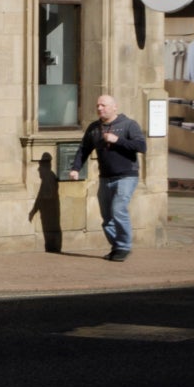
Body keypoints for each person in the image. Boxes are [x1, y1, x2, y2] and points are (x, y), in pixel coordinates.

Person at [66, 92, 148, 261]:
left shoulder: (128, 125)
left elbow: (141, 146)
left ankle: (124, 246)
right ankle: (117, 246)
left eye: (103, 105)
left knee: (119, 210)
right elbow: (84, 149)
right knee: (107, 218)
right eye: (98, 105)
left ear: (114, 107)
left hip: (126, 176)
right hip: (105, 177)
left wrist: (117, 140)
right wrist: (75, 168)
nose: (99, 108)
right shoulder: (94, 128)